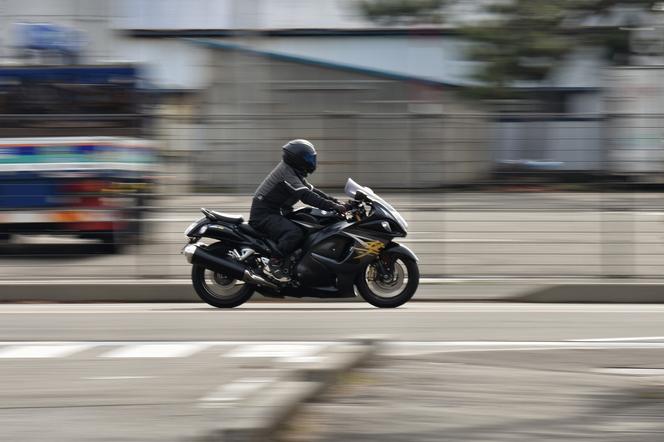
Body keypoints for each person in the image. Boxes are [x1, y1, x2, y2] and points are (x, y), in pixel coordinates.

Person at [249, 139, 346, 282]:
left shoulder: (295, 172)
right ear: (297, 159)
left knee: (309, 222)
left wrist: (336, 202)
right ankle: (274, 263)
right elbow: (306, 196)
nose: (311, 161)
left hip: (276, 211)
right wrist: (332, 206)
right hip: (264, 214)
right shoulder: (286, 173)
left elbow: (312, 191)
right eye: (308, 158)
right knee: (294, 233)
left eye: (312, 158)